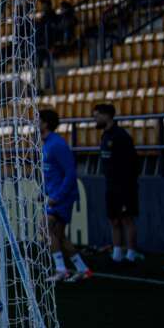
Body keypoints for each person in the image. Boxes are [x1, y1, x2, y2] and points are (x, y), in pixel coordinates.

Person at [40, 108, 89, 283]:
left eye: (37, 120)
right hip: (55, 195)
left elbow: (70, 173)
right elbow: (52, 172)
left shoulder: (57, 144)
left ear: (45, 123)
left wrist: (58, 196)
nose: (33, 123)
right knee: (59, 235)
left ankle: (61, 269)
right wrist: (44, 192)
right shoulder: (47, 144)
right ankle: (83, 270)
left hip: (62, 197)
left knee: (44, 227)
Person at [93, 102, 142, 264]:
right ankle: (117, 253)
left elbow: (133, 162)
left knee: (127, 219)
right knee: (113, 219)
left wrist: (127, 182)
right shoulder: (105, 136)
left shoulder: (121, 136)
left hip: (124, 186)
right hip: (111, 185)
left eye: (97, 116)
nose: (95, 119)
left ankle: (131, 254)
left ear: (107, 116)